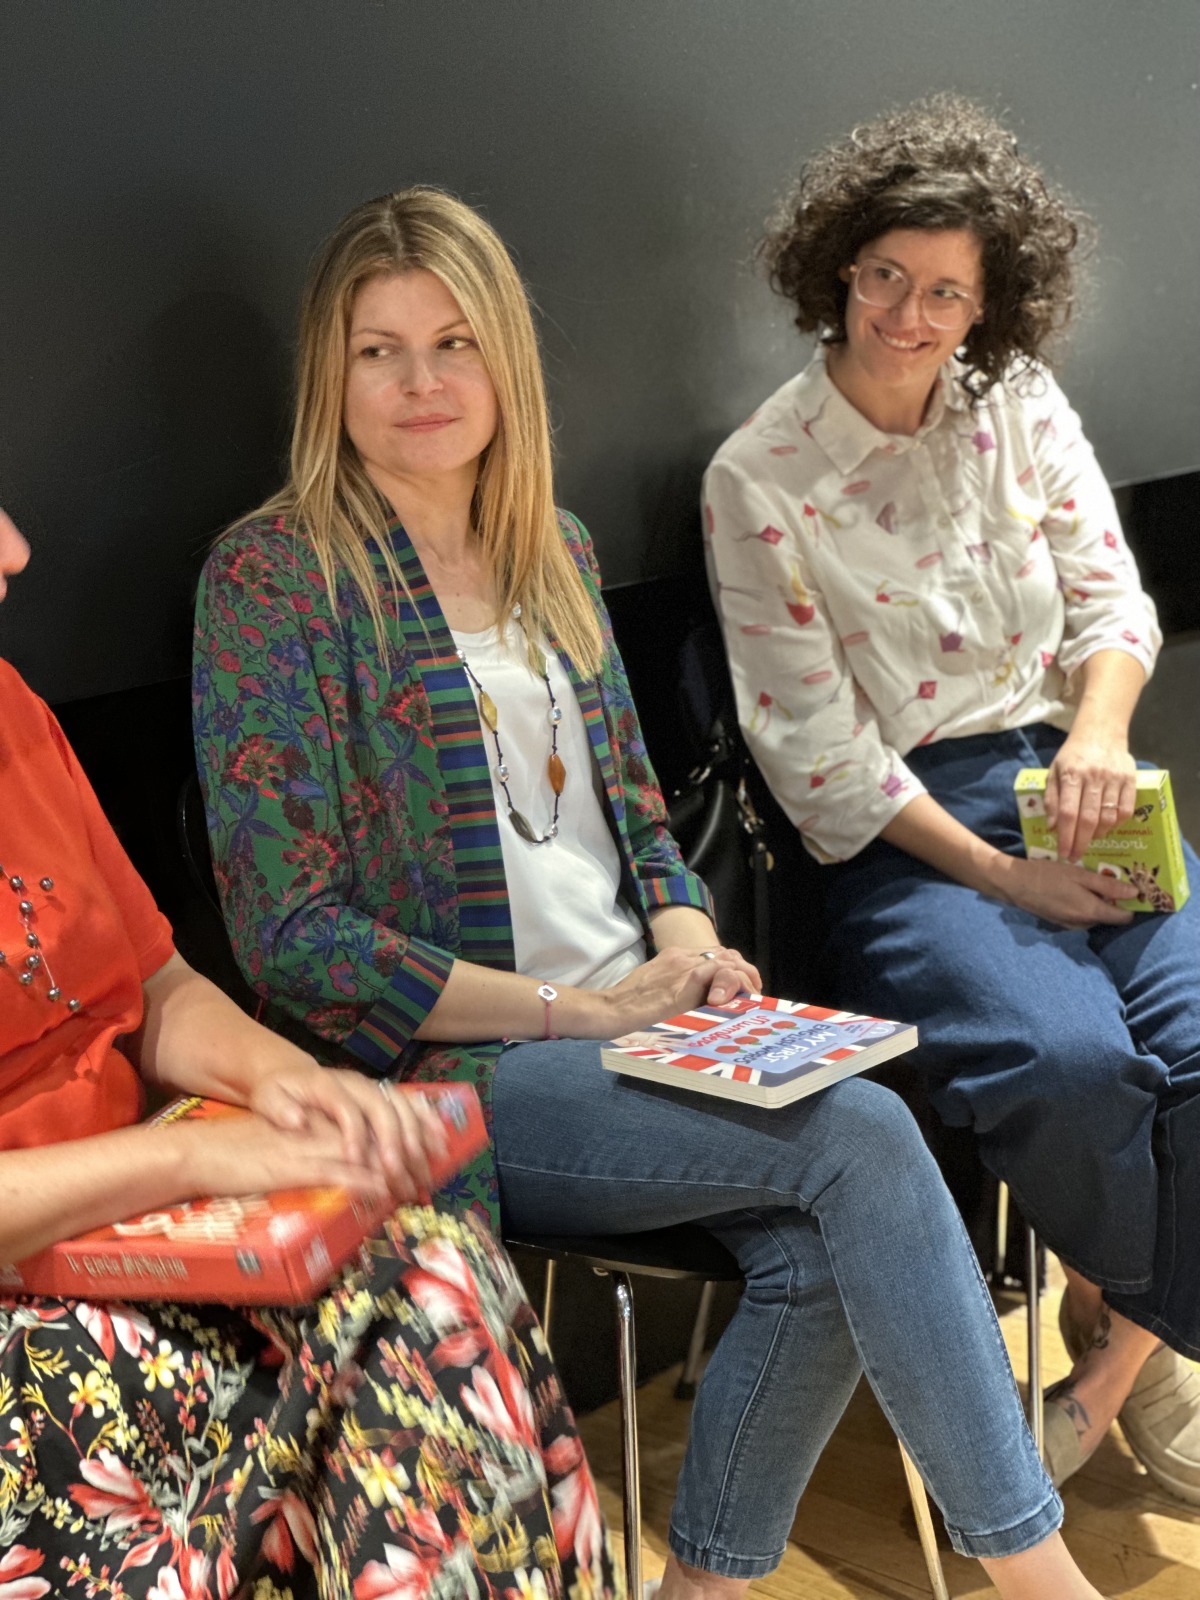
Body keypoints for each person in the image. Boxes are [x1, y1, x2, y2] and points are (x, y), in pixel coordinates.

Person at [193, 185, 1107, 1600]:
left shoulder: (550, 546)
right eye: (380, 351)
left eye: (454, 344)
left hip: (642, 1027)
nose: (422, 383)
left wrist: (692, 946)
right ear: (332, 372)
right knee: (863, 1138)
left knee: (831, 1231)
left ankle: (704, 1591)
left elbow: (639, 817)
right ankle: (1046, 1582)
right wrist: (583, 1010)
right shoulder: (274, 581)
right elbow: (294, 940)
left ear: (505, 359)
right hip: (457, 1071)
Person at [703, 92, 1200, 1503]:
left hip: (1074, 775)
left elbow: (1113, 599)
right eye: (884, 276)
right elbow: (817, 755)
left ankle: (1107, 1369)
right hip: (907, 835)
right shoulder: (760, 477)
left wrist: (1098, 734)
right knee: (1069, 1063)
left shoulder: (1017, 402)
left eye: (946, 294)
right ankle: (1141, 1322)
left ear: (991, 306)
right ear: (836, 266)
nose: (907, 318)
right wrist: (1008, 876)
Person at [0, 508, 618, 1597]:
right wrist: (194, 1159)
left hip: (123, 1226)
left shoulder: (14, 711)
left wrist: (292, 1088)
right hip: (40, 1298)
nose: (15, 550)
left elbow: (157, 984)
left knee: (436, 1270)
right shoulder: (268, 583)